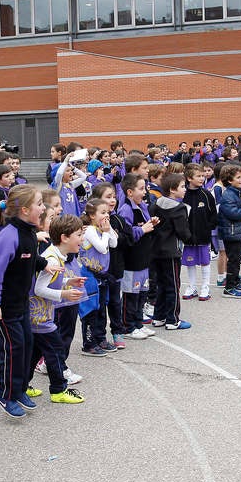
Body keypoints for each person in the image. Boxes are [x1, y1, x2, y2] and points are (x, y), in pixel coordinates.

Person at [0, 185, 59, 419]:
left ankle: (19, 389)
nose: (43, 208)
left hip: (21, 304)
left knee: (27, 345)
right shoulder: (7, 237)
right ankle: (5, 393)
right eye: (40, 204)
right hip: (4, 306)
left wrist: (43, 264)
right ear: (24, 209)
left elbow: (29, 256)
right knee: (12, 349)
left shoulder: (29, 230)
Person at [27, 214, 86, 404]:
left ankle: (22, 386)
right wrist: (64, 294)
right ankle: (58, 390)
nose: (82, 239)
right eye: (79, 235)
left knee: (35, 353)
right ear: (64, 237)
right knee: (55, 349)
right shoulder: (52, 259)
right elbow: (39, 289)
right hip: (39, 316)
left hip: (41, 315)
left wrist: (69, 281)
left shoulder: (57, 255)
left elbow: (49, 280)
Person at [148, 172, 192, 330]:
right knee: (173, 285)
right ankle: (173, 319)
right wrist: (190, 238)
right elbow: (183, 232)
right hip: (171, 252)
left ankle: (158, 316)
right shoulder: (179, 208)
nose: (185, 189)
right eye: (182, 186)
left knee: (161, 283)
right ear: (172, 190)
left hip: (155, 250)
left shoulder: (155, 204)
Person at [118, 173, 157, 340]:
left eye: (145, 188)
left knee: (142, 293)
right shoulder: (125, 209)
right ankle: (127, 326)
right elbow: (125, 235)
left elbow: (145, 225)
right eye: (141, 189)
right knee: (131, 295)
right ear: (129, 192)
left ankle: (138, 323)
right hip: (132, 261)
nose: (145, 191)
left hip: (143, 259)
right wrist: (142, 229)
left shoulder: (142, 206)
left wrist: (152, 223)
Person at [78, 198, 119, 354]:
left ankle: (100, 338)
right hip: (89, 275)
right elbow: (102, 248)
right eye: (102, 213)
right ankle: (89, 343)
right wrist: (106, 232)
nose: (106, 215)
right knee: (91, 310)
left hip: (102, 275)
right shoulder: (89, 230)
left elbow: (114, 243)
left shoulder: (103, 229)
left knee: (102, 308)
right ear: (92, 216)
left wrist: (108, 231)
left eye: (107, 212)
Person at [181, 163, 217, 302]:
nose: (202, 178)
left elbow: (213, 214)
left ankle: (205, 286)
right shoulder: (183, 195)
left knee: (204, 262)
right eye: (199, 176)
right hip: (188, 237)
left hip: (203, 236)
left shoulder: (206, 195)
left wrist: (208, 227)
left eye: (203, 175)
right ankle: (192, 286)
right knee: (190, 262)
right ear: (189, 178)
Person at [217, 165, 241, 298]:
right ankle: (229, 287)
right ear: (229, 180)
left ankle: (236, 281)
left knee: (237, 259)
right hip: (231, 232)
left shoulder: (237, 192)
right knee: (233, 260)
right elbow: (232, 212)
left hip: (237, 231)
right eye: (238, 177)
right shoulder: (228, 195)